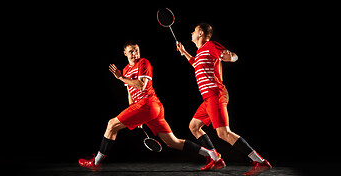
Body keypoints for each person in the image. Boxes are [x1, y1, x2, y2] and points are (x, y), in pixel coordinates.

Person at [79, 41, 224, 171]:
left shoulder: (143, 63)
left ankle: (96, 163)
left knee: (111, 125)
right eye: (131, 51)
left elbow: (142, 85)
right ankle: (212, 155)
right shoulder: (125, 70)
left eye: (136, 50)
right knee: (172, 142)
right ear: (125, 53)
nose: (135, 53)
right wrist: (135, 115)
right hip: (147, 109)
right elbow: (130, 92)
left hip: (149, 104)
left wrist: (121, 78)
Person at [176, 23, 272, 176]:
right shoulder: (200, 52)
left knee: (224, 133)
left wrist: (232, 56)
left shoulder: (210, 46)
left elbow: (228, 55)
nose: (191, 33)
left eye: (194, 31)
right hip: (207, 99)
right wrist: (184, 52)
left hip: (216, 94)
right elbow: (196, 64)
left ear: (201, 33)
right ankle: (216, 159)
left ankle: (260, 162)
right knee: (194, 126)